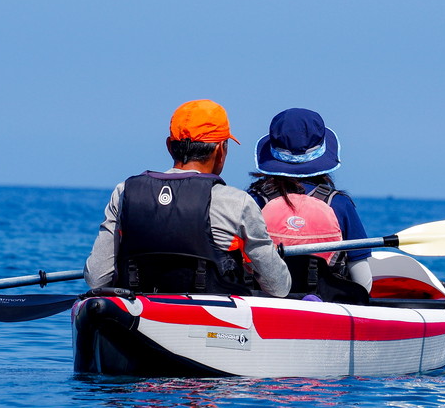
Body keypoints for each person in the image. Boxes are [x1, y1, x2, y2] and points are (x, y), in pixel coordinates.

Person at [84, 100, 291, 298]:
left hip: (141, 313)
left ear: (169, 145)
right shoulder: (237, 202)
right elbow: (279, 287)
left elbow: (96, 279)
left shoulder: (124, 193)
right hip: (214, 321)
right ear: (220, 149)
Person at [247, 107, 372, 304]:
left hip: (265, 302)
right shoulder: (339, 204)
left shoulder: (253, 200)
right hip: (326, 303)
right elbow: (362, 280)